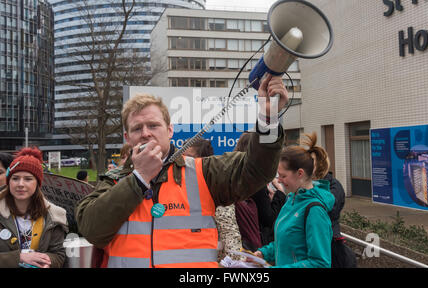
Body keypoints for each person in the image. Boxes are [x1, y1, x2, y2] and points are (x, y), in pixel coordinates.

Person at [75, 74, 288, 268]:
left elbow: (257, 169)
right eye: (137, 128)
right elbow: (92, 229)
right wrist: (139, 179)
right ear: (127, 137)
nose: (146, 134)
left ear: (170, 131)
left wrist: (268, 120)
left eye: (153, 125)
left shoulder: (203, 172)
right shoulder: (112, 182)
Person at [254, 132, 335, 268]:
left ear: (300, 173)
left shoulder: (315, 210)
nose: (278, 180)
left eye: (283, 175)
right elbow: (285, 242)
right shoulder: (291, 200)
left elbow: (320, 263)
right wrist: (263, 254)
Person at [0, 147, 68, 268]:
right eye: (15, 178)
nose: (20, 184)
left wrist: (47, 261)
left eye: (28, 179)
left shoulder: (55, 215)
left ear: (37, 183)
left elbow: (59, 254)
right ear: (8, 181)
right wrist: (19, 257)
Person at [183, 138, 243, 263]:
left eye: (188, 157)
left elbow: (230, 234)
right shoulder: (180, 186)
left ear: (204, 161)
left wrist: (232, 266)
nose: (182, 161)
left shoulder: (215, 189)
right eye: (180, 156)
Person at [234, 132, 287, 249]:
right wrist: (280, 194)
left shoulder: (234, 173)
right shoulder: (256, 180)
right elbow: (268, 218)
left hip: (236, 237)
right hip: (255, 242)